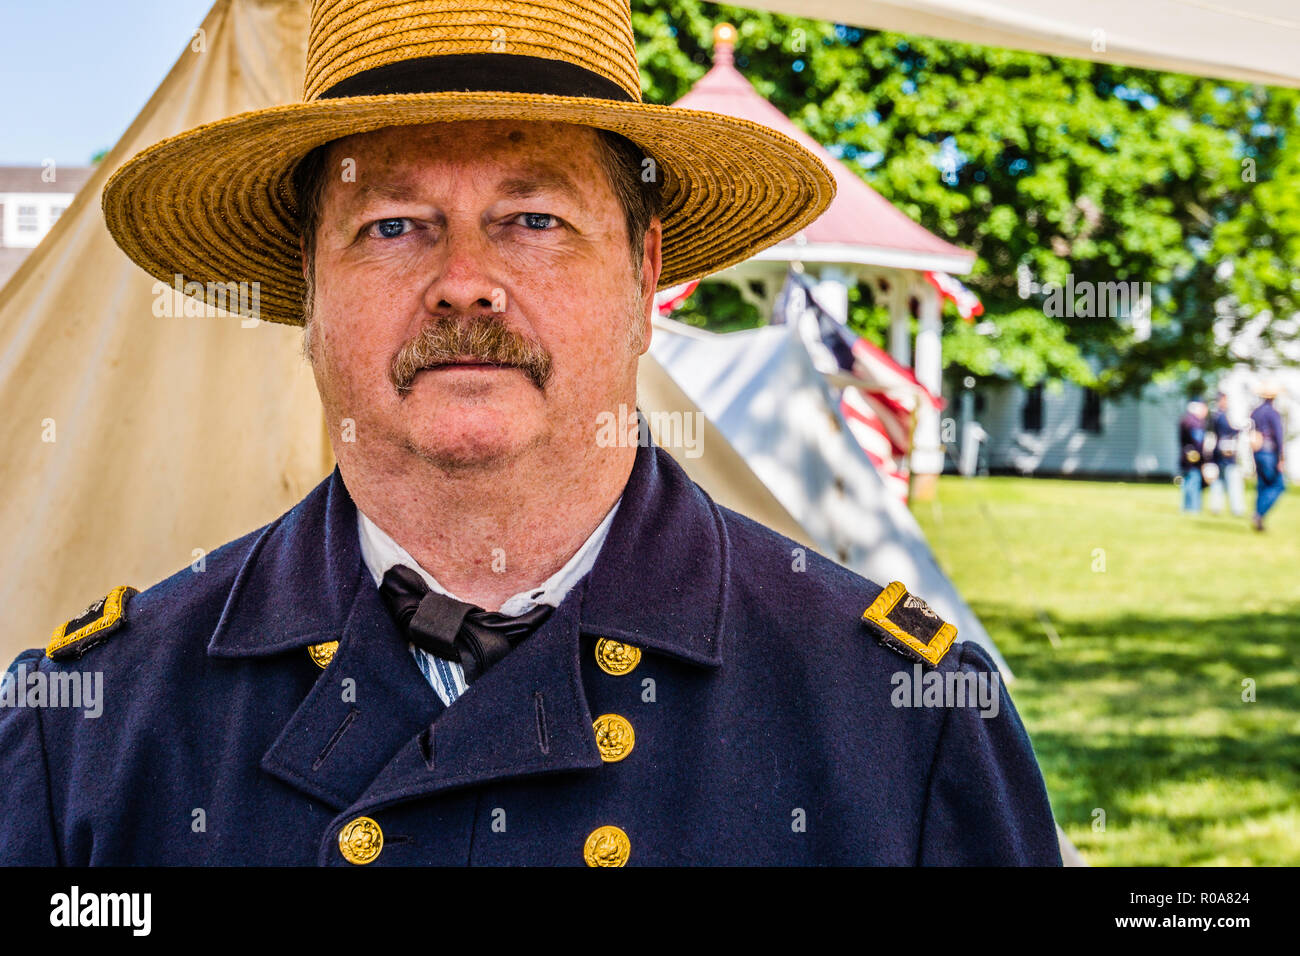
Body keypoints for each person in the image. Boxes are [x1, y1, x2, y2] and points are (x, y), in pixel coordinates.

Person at [0, 0, 1060, 866]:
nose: (466, 282)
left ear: (645, 279)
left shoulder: (896, 719)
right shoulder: (92, 729)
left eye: (535, 219)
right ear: (310, 294)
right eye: (393, 225)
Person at [1249, 381, 1287, 531]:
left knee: (1262, 485)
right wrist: (1281, 458)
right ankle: (1259, 513)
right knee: (1278, 485)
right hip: (1269, 452)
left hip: (1257, 451)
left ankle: (1259, 518)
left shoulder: (1255, 412)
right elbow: (1278, 436)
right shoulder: (1273, 413)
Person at [1208, 391, 1245, 517]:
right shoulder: (1221, 416)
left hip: (1219, 454)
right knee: (1233, 481)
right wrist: (1241, 429)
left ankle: (1216, 506)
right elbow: (1228, 431)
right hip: (1226, 454)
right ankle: (1237, 509)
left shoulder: (1216, 415)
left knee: (1219, 482)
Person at [1178, 399, 1209, 513]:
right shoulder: (1194, 423)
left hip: (1185, 457)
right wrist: (1204, 457)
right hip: (1194, 459)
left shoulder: (1185, 420)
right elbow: (1198, 442)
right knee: (1193, 483)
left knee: (1187, 484)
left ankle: (1185, 508)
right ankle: (1193, 509)